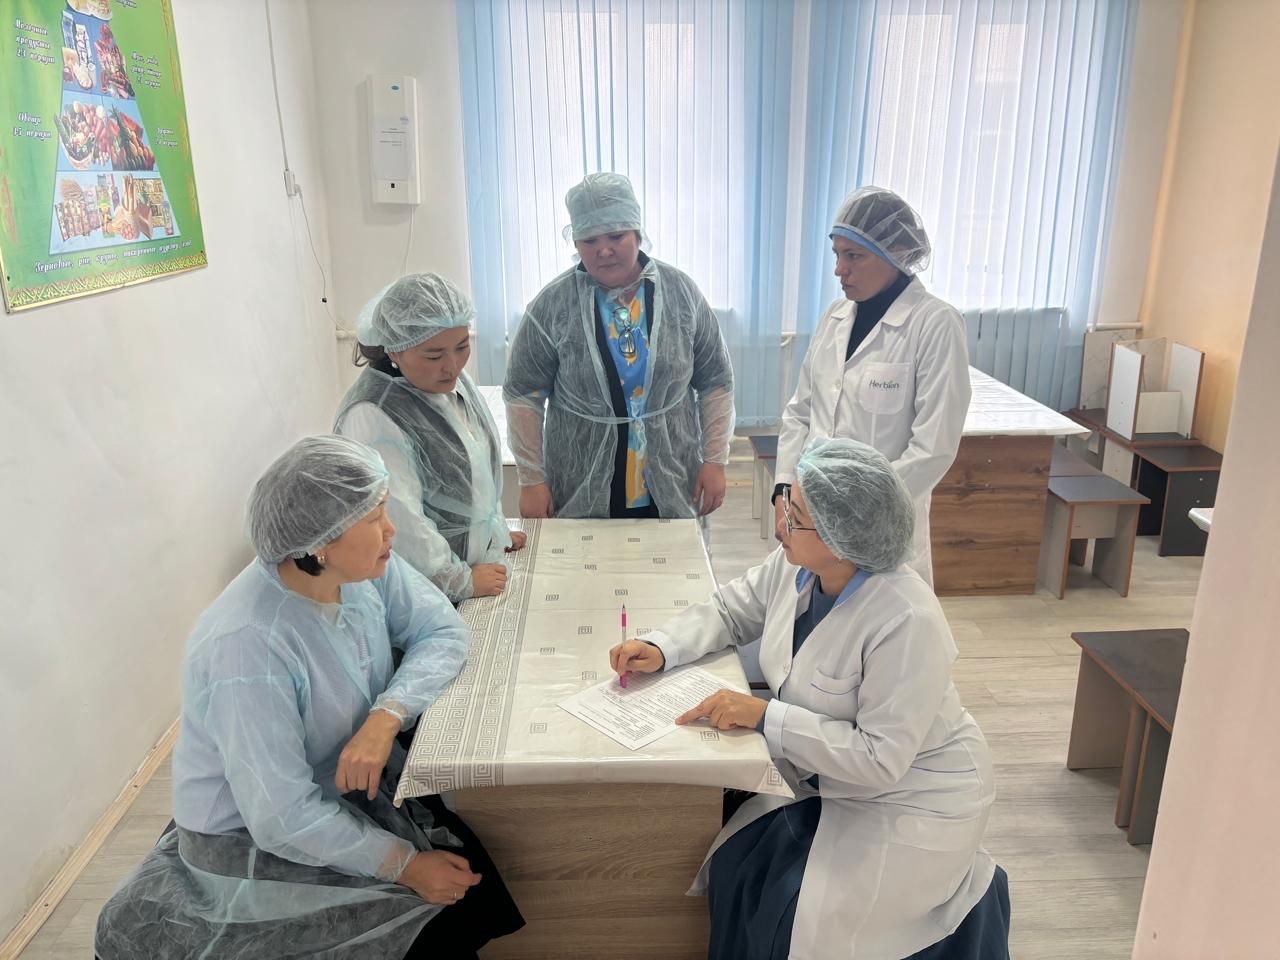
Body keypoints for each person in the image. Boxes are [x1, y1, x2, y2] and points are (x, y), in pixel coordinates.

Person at [96, 436, 524, 960]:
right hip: (249, 834)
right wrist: (404, 866)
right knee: (429, 927)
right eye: (375, 518)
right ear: (321, 542)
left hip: (335, 788)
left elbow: (443, 631)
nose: (391, 530)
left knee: (475, 883)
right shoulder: (248, 647)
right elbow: (280, 816)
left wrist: (387, 715)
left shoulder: (362, 570)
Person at [611, 438, 1008, 960]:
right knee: (735, 870)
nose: (781, 524)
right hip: (829, 775)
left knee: (802, 924)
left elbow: (880, 759)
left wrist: (765, 716)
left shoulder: (906, 619)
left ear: (843, 540)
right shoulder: (798, 566)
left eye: (795, 518)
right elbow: (731, 609)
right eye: (786, 502)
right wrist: (662, 646)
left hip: (916, 797)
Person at [504, 172, 735, 520]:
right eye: (589, 239)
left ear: (638, 233)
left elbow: (715, 380)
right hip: (582, 483)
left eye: (616, 235)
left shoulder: (682, 294)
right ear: (575, 242)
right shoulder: (551, 306)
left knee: (669, 555)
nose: (604, 250)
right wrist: (532, 480)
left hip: (672, 479)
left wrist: (715, 460)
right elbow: (524, 394)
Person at [774, 186, 971, 585]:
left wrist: (856, 514)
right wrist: (784, 489)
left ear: (896, 253)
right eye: (836, 255)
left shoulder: (935, 324)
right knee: (811, 614)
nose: (839, 270)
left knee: (882, 618)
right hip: (810, 521)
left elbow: (933, 448)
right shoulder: (835, 317)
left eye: (854, 256)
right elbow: (801, 412)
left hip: (880, 531)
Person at [337, 273, 523, 602]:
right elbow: (401, 521)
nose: (452, 366)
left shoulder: (444, 380)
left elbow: (475, 468)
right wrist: (457, 580)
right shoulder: (374, 414)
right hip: (424, 590)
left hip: (473, 563)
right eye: (434, 356)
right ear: (394, 351)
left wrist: (493, 535)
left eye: (462, 346)